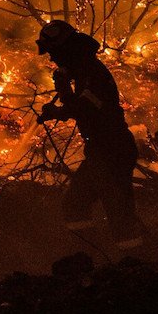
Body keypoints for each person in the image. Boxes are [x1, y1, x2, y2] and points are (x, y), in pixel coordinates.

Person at [35, 20, 143, 249]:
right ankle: (91, 257)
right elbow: (81, 106)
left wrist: (59, 105)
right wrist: (64, 91)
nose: (52, 58)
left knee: (118, 214)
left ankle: (134, 266)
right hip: (101, 151)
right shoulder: (84, 70)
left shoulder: (92, 72)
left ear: (66, 49)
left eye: (54, 52)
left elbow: (86, 108)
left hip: (111, 150)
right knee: (76, 205)